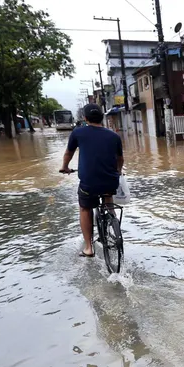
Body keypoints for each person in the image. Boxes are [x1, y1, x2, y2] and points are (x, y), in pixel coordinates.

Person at [60, 103, 124, 257]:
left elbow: (69, 153)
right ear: (102, 117)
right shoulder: (114, 136)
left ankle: (89, 248)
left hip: (89, 183)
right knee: (108, 196)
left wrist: (65, 167)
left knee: (85, 208)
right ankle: (112, 218)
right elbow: (120, 159)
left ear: (85, 118)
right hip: (110, 181)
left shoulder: (78, 133)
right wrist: (118, 172)